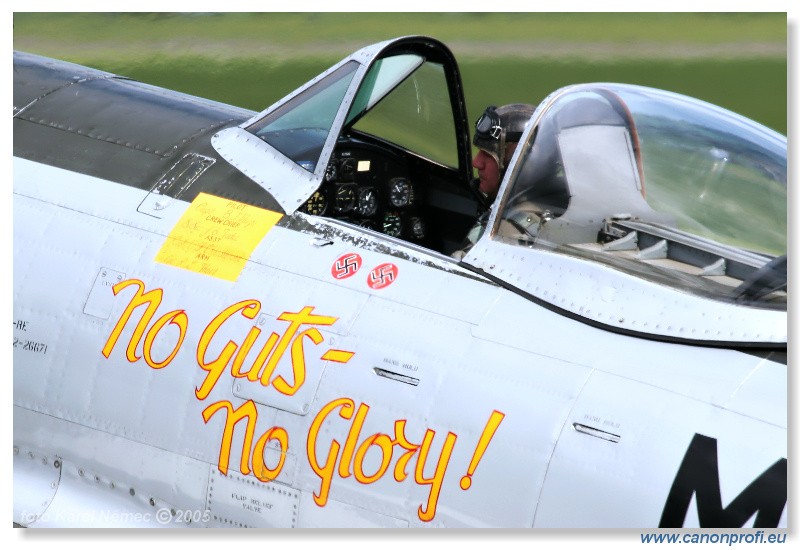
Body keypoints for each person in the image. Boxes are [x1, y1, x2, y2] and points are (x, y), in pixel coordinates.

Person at [453, 103, 536, 259]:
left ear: (518, 164)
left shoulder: (501, 232)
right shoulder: (548, 208)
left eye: (487, 155)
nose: (476, 162)